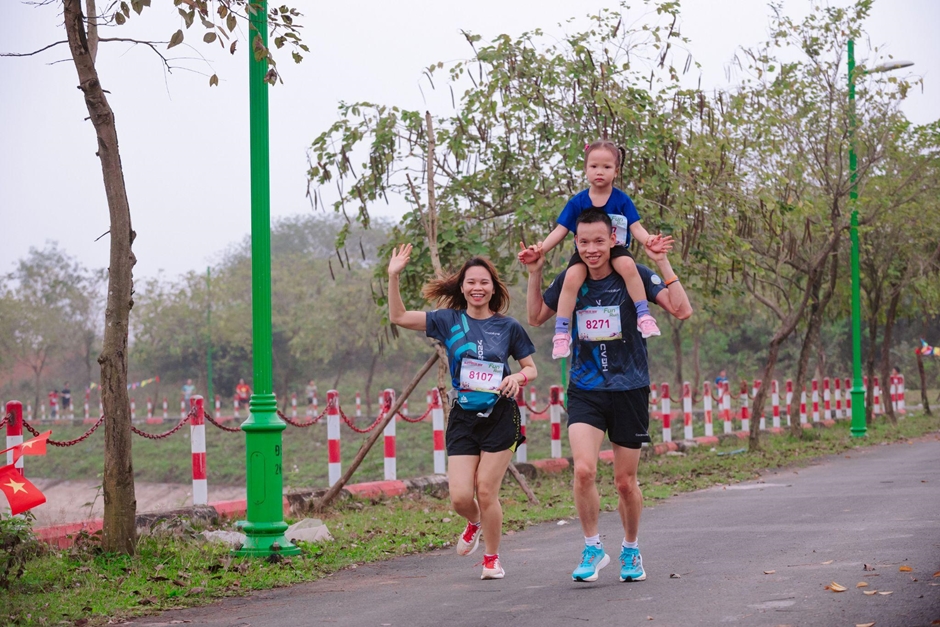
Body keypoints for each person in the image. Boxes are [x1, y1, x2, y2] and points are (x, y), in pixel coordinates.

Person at [524, 208, 692, 583]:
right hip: (586, 388)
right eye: (584, 242)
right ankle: (592, 546)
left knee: (623, 481)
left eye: (599, 241)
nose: (591, 249)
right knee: (583, 470)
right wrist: (535, 272)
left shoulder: (633, 274)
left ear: (613, 239)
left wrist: (662, 263)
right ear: (576, 243)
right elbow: (536, 317)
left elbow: (682, 310)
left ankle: (631, 549)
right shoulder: (572, 279)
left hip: (629, 388)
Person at [387, 243, 538, 581]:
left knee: (486, 490)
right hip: (463, 416)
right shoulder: (447, 320)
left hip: (501, 414)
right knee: (459, 497)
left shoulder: (509, 327)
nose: (477, 288)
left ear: (493, 288)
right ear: (462, 287)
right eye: (471, 282)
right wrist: (393, 277)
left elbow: (531, 368)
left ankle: (491, 559)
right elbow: (398, 317)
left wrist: (517, 375)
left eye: (484, 282)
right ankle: (474, 522)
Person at [518, 140, 672, 360]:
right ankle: (561, 333)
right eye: (594, 166)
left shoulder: (622, 200)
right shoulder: (577, 202)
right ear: (586, 169)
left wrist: (649, 241)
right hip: (586, 254)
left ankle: (643, 315)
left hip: (616, 250)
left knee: (629, 265)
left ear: (616, 171)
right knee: (571, 277)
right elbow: (560, 231)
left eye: (607, 167)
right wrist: (540, 249)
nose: (600, 172)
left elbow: (636, 228)